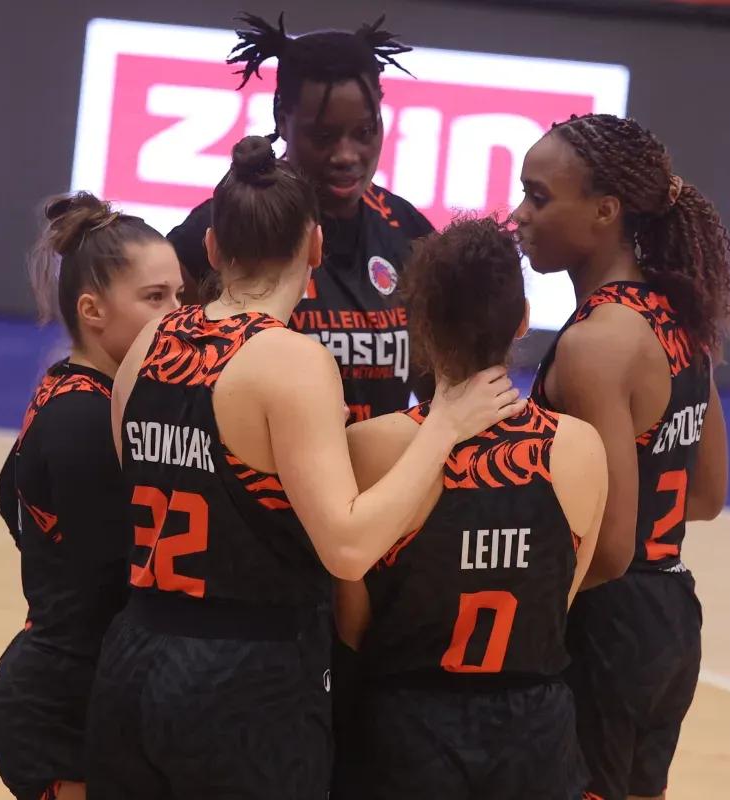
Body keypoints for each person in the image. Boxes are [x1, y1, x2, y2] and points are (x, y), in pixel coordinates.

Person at [84, 136, 524, 800]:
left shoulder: (150, 338)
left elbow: (136, 476)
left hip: (134, 656)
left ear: (210, 248)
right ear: (315, 246)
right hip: (246, 678)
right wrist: (445, 425)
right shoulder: (290, 359)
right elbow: (347, 546)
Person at [332, 214, 609, 800]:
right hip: (535, 736)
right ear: (524, 322)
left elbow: (351, 625)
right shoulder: (580, 448)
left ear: (421, 327)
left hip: (406, 732)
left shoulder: (370, 446)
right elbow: (557, 597)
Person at [511, 113, 730, 800]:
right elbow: (707, 494)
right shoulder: (677, 319)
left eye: (539, 196)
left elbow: (608, 547)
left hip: (606, 619)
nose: (519, 215)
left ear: (605, 211)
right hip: (669, 613)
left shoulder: (595, 345)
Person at [0, 192, 183, 800]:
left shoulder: (71, 388)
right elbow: (124, 577)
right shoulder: (84, 421)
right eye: (155, 299)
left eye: (180, 295)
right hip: (60, 708)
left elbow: (5, 491)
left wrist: (53, 573)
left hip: (69, 681)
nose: (177, 314)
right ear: (92, 310)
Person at [167, 12, 435, 423]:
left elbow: (443, 389)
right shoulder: (225, 226)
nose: (347, 156)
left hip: (387, 483)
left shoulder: (407, 230)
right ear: (281, 120)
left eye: (364, 132)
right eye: (323, 137)